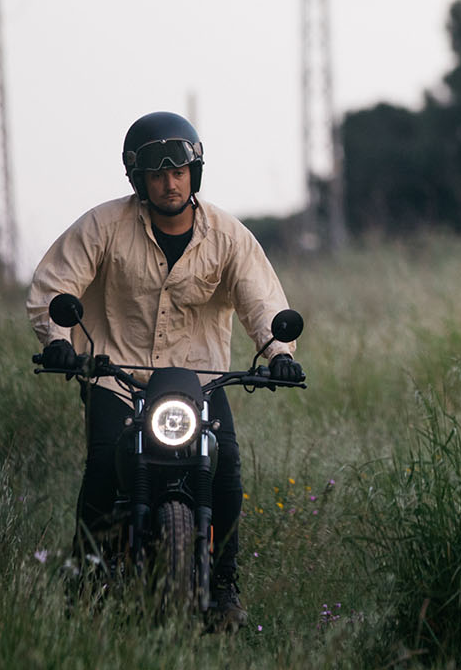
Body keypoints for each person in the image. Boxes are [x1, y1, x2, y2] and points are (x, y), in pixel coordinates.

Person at [26, 110, 304, 625]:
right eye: (157, 173)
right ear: (139, 179)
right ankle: (87, 583)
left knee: (226, 472)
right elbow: (53, 288)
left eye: (178, 172)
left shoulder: (228, 236)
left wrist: (280, 355)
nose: (169, 183)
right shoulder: (103, 225)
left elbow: (261, 301)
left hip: (199, 380)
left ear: (194, 174)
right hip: (116, 376)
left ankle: (224, 590)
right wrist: (60, 341)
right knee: (104, 468)